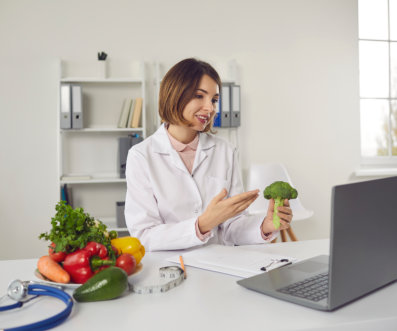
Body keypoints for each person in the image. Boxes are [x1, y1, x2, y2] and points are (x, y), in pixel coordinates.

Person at [124, 58, 293, 251]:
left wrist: (265, 226)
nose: (210, 108)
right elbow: (145, 235)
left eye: (214, 100)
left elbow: (232, 227)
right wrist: (203, 224)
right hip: (169, 267)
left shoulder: (225, 151)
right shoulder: (141, 156)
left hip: (218, 263)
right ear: (175, 95)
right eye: (199, 96)